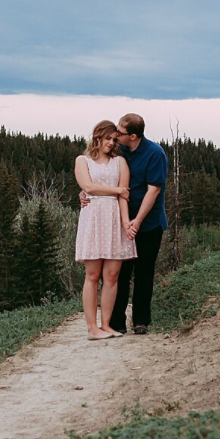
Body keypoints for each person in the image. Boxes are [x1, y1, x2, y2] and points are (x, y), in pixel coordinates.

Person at [74, 120, 136, 340]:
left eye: (114, 139)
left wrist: (126, 223)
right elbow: (88, 187)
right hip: (92, 219)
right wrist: (116, 189)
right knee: (92, 275)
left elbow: (124, 196)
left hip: (113, 219)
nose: (111, 143)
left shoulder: (120, 162)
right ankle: (92, 328)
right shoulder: (83, 161)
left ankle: (106, 325)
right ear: (97, 137)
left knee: (112, 275)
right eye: (107, 138)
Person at [107, 113, 168, 335]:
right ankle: (117, 321)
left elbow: (154, 190)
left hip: (149, 224)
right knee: (120, 273)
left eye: (120, 132)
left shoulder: (155, 153)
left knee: (144, 273)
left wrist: (137, 221)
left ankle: (141, 320)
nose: (115, 135)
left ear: (133, 136)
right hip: (121, 222)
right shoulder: (118, 150)